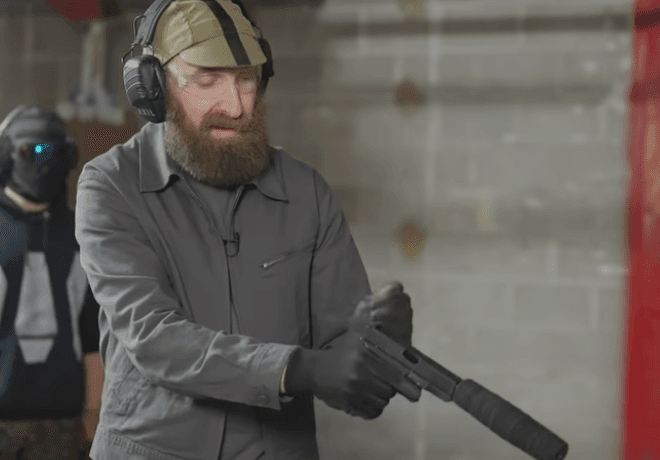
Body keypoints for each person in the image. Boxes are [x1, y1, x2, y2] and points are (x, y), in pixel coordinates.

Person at [74, 1, 414, 459]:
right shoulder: (111, 185)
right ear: (154, 88)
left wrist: (375, 351)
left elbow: (341, 361)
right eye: (207, 81)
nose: (236, 106)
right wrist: (299, 369)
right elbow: (153, 337)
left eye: (247, 80)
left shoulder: (305, 192)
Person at [0, 104, 104, 459]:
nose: (47, 164)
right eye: (37, 152)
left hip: (63, 418)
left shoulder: (82, 233)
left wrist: (93, 413)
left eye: (60, 154)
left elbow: (94, 337)